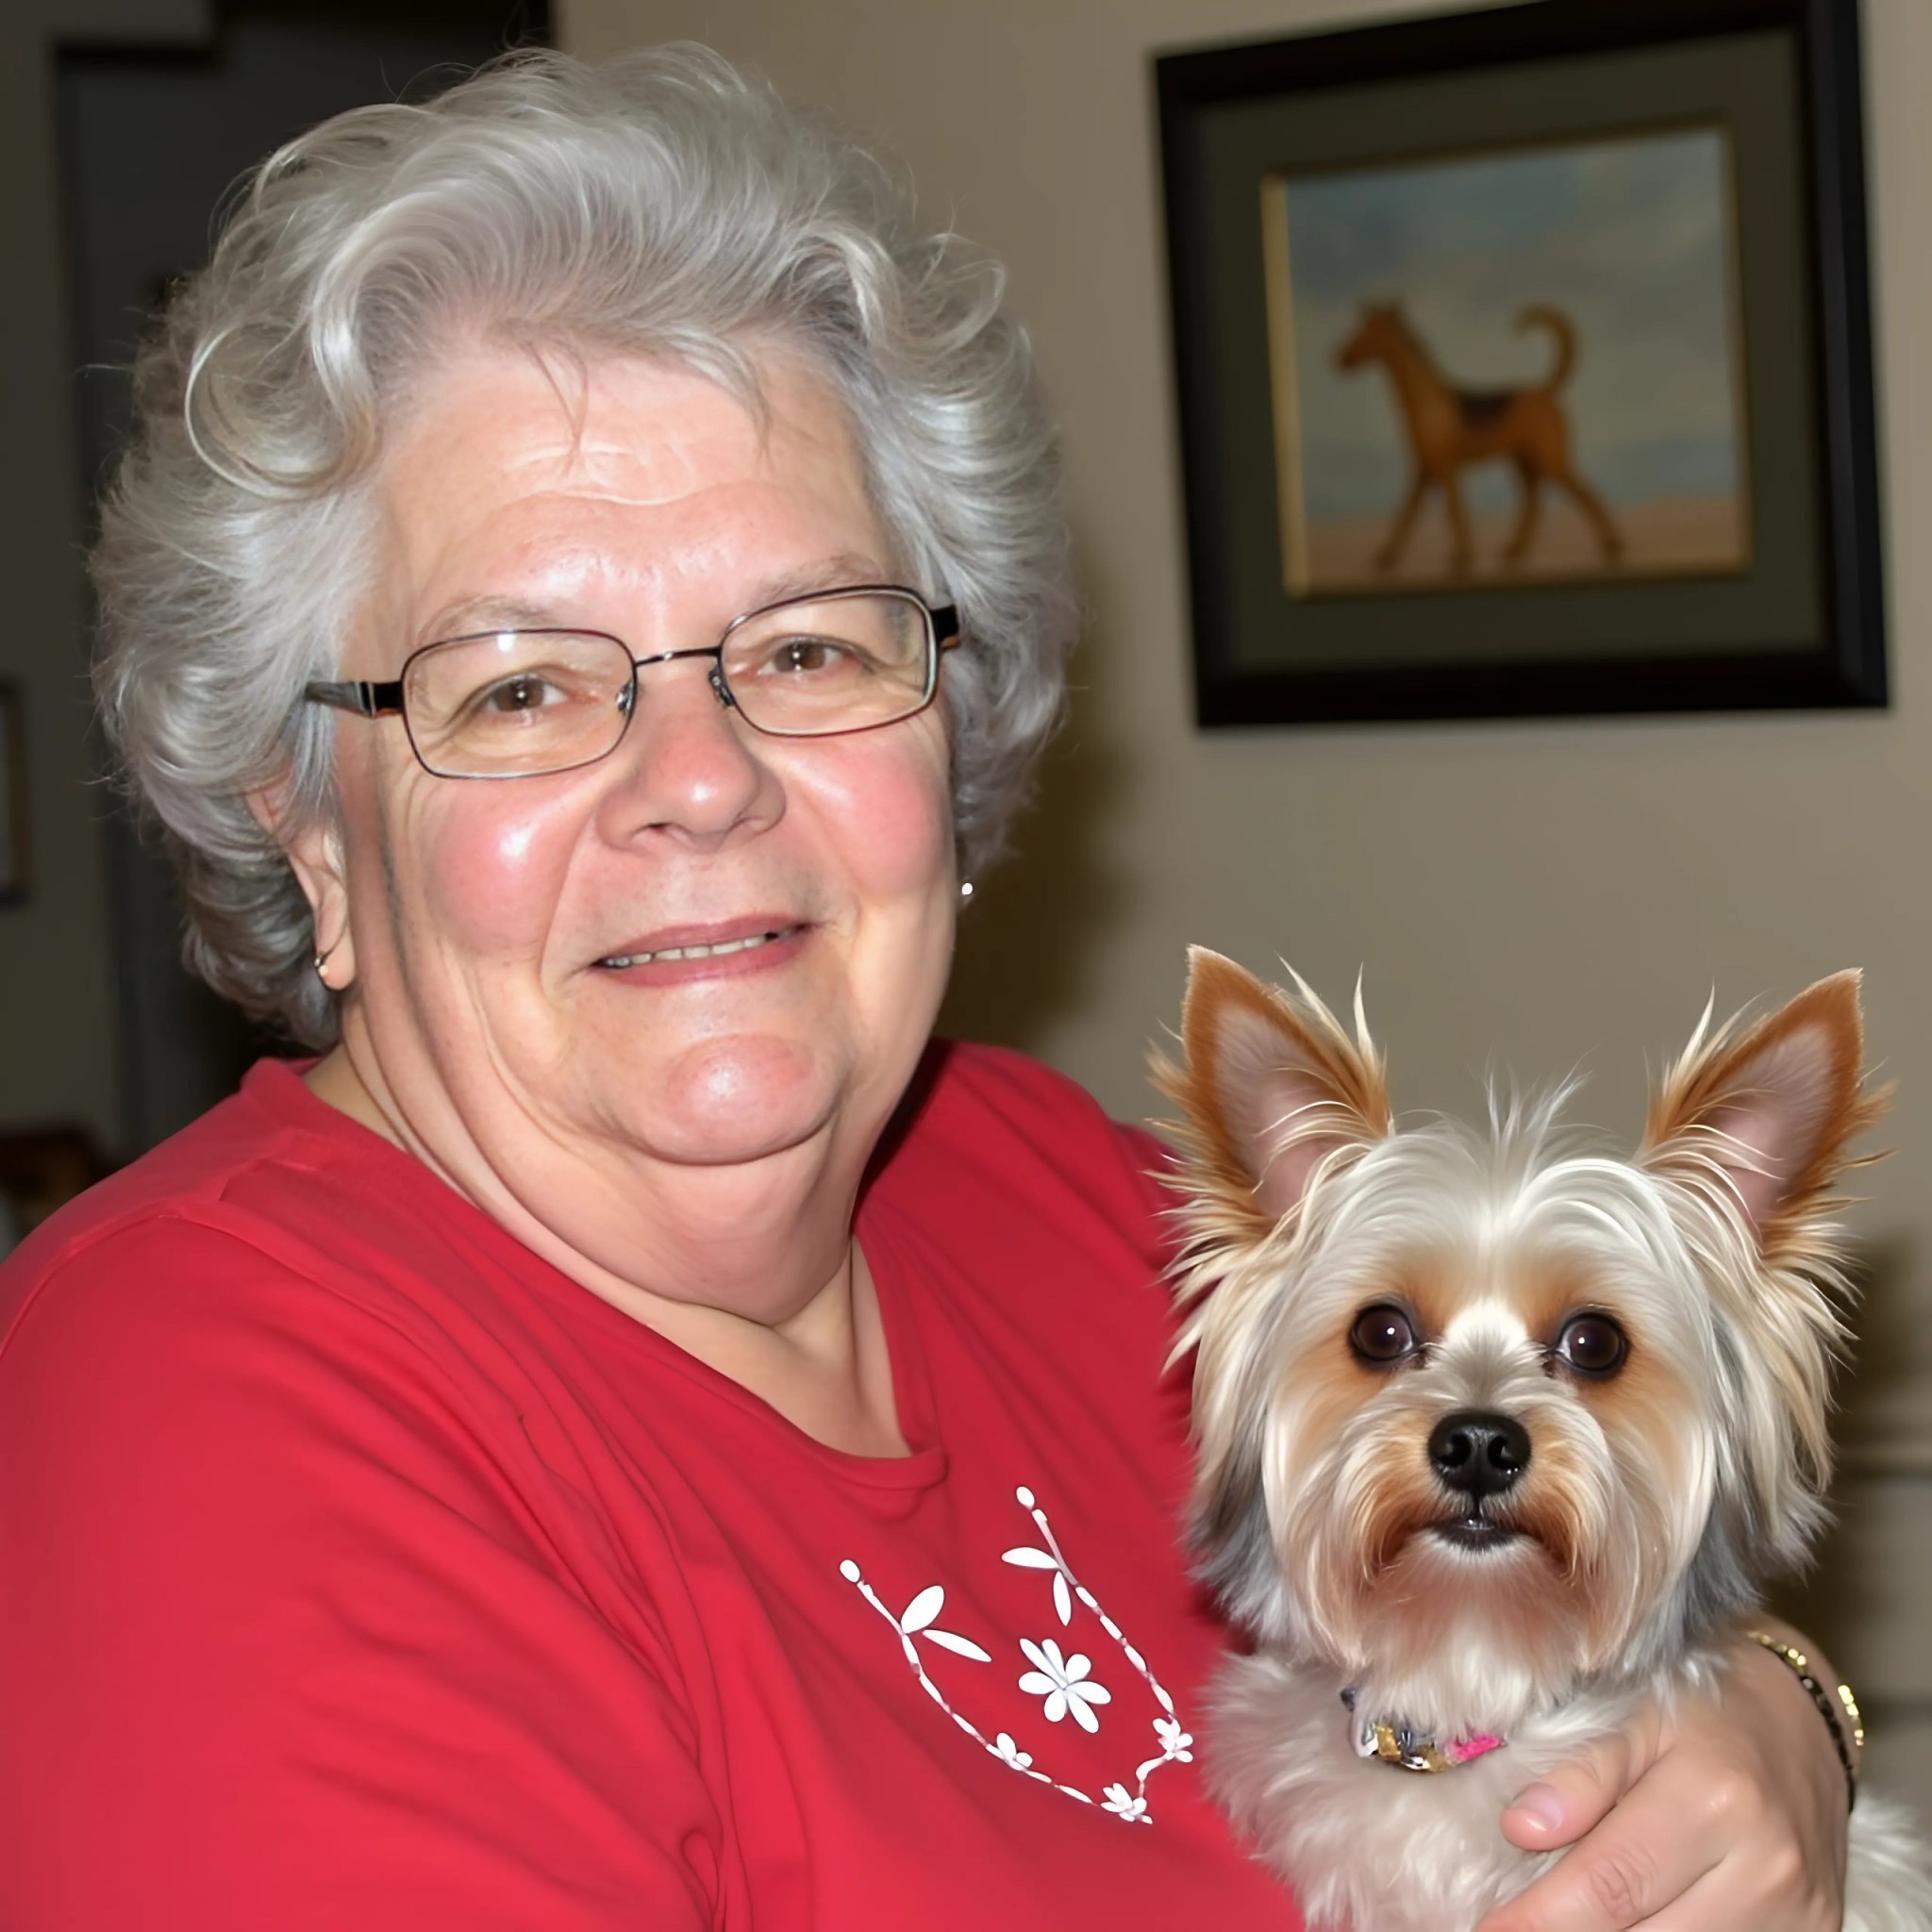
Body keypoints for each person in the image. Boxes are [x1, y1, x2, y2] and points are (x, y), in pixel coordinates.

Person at [0, 47, 1857, 1929]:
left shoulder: (1057, 1189)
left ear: (949, 726)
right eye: (523, 686)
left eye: (808, 648)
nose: (701, 780)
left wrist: (1779, 1718)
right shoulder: (192, 1414)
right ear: (310, 823)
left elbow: (1556, 1591)